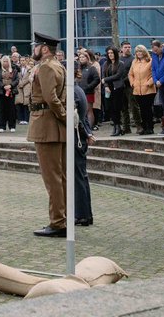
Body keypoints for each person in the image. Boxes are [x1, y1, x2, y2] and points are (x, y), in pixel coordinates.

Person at [28, 32, 67, 238]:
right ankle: (62, 218)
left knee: (52, 179)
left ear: (44, 48)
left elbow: (51, 98)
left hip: (46, 124)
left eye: (36, 46)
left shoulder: (46, 67)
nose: (33, 49)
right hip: (55, 126)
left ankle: (58, 222)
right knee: (60, 177)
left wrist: (64, 117)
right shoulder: (58, 65)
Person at [72, 84, 94, 227]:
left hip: (76, 138)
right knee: (81, 176)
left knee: (78, 177)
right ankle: (85, 214)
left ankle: (82, 214)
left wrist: (86, 134)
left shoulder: (72, 91)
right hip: (81, 137)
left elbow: (76, 118)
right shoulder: (78, 89)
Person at [128, 48, 155, 135]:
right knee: (142, 109)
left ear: (144, 52)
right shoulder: (134, 62)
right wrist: (132, 83)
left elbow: (154, 73)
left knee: (148, 108)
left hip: (148, 89)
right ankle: (144, 127)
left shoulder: (150, 61)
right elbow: (130, 74)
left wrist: (149, 83)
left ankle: (150, 127)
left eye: (140, 51)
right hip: (137, 89)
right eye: (137, 52)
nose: (139, 53)